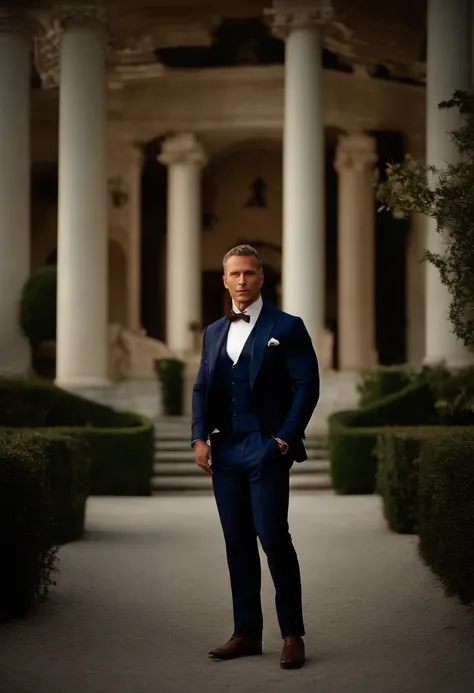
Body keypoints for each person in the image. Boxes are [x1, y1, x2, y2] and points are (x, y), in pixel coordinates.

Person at [191, 244, 320, 670]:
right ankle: (246, 632)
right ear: (224, 280)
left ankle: (292, 634)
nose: (242, 281)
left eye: (249, 273)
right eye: (234, 274)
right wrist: (199, 438)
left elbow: (307, 386)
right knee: (237, 543)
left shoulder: (289, 326)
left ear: (261, 278)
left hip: (266, 448)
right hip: (224, 450)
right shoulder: (212, 332)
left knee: (273, 538)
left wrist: (283, 441)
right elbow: (202, 388)